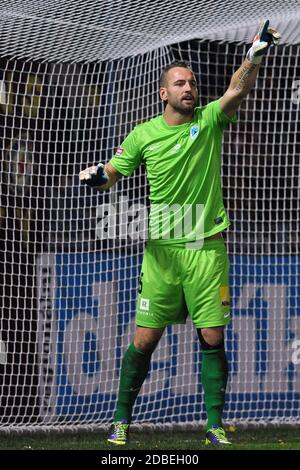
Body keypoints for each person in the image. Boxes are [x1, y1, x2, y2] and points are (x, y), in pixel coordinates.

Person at [80, 20, 280, 446]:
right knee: (145, 339)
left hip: (206, 251)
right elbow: (112, 175)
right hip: (162, 254)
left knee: (212, 335)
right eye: (179, 83)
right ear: (163, 93)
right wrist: (96, 176)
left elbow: (237, 90)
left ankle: (212, 424)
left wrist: (252, 58)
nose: (189, 88)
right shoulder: (143, 134)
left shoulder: (208, 121)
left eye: (191, 82)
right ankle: (120, 420)